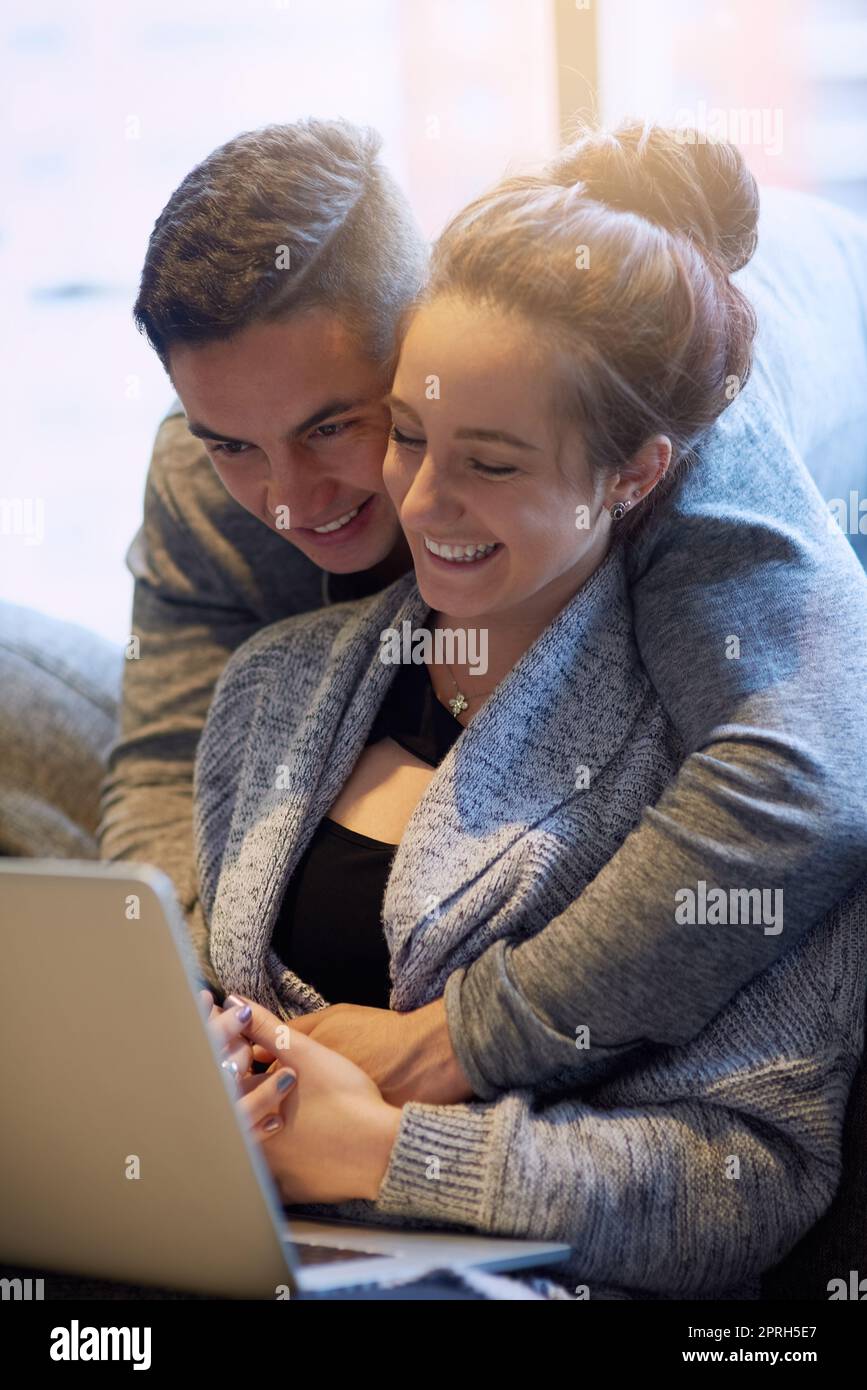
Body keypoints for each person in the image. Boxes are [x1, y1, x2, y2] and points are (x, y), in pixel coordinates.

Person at [191, 122, 867, 1298]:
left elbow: (743, 1181)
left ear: (637, 475)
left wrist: (394, 1150)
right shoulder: (275, 686)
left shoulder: (734, 735)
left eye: (492, 463)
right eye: (404, 434)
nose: (422, 498)